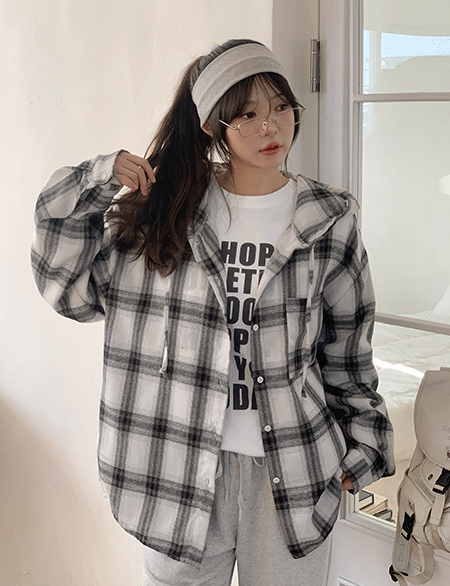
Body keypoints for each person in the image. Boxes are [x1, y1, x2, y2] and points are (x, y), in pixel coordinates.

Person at [31, 39, 395, 586]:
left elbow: (348, 347)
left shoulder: (328, 219)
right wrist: (98, 177)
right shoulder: (164, 214)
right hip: (176, 468)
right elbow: (66, 287)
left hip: (293, 468)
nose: (270, 127)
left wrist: (363, 447)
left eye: (281, 107)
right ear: (211, 125)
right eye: (247, 114)